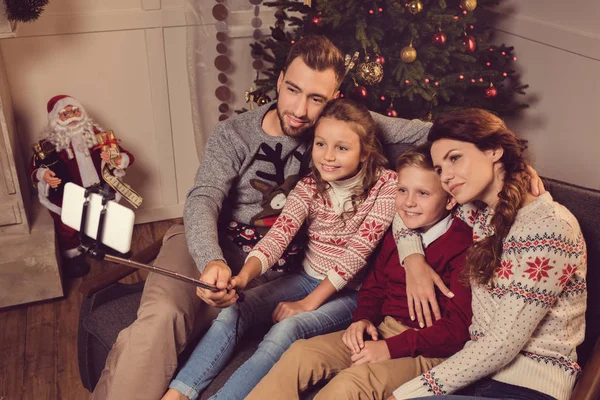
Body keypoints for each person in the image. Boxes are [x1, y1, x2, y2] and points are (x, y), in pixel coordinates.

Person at [91, 36, 432, 400]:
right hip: (214, 243)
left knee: (233, 319)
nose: (300, 110)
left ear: (335, 100)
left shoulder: (344, 129)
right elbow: (203, 198)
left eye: (316, 99)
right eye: (293, 90)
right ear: (279, 80)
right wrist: (212, 260)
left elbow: (436, 135)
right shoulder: (235, 135)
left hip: (281, 272)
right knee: (162, 319)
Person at [162, 98, 398, 400]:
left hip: (353, 293)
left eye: (342, 148)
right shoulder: (309, 186)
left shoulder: (387, 186)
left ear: (365, 152)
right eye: (321, 144)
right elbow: (278, 236)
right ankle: (179, 393)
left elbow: (356, 255)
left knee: (285, 330)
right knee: (235, 309)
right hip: (307, 276)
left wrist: (307, 304)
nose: (327, 157)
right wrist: (243, 277)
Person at [246, 146, 474, 400]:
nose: (409, 202)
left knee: (350, 384)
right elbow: (374, 287)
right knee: (301, 353)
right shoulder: (398, 233)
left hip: (429, 350)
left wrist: (389, 348)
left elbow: (458, 330)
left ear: (450, 200)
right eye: (402, 190)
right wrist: (362, 320)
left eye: (423, 193)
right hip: (385, 329)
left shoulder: (463, 245)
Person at [390, 108, 587, 400]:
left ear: (494, 150)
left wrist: (408, 393)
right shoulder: (483, 217)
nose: (446, 177)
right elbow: (406, 211)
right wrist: (414, 260)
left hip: (528, 387)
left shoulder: (552, 228)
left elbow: (502, 344)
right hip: (480, 378)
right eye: (440, 168)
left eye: (455, 158)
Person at [30, 95, 134, 278]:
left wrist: (118, 159)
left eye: (75, 111)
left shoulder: (96, 135)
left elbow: (126, 156)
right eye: (65, 113)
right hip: (69, 192)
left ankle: (111, 243)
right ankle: (73, 255)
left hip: (100, 187)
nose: (72, 116)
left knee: (107, 215)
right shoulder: (48, 145)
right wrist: (44, 175)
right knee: (68, 223)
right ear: (55, 119)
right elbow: (35, 169)